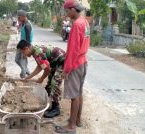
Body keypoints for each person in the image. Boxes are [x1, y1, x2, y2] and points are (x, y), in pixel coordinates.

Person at [55, 0, 90, 133]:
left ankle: (71, 127)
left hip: (75, 64)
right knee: (79, 93)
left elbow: (73, 50)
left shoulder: (76, 25)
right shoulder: (85, 22)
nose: (66, 13)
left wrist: (66, 69)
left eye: (67, 10)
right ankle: (77, 120)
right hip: (83, 62)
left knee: (74, 95)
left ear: (73, 9)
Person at [17, 40, 65, 118]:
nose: (23, 55)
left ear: (26, 49)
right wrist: (28, 77)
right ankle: (48, 102)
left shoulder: (37, 54)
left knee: (54, 83)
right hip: (55, 62)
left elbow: (47, 69)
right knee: (49, 83)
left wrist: (41, 79)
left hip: (62, 62)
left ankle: (56, 108)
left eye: (22, 52)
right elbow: (40, 66)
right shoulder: (35, 50)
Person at [15, 10, 33, 78]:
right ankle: (26, 71)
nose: (18, 19)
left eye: (19, 17)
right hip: (21, 44)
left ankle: (23, 76)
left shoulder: (27, 25)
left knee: (23, 61)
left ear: (23, 16)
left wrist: (26, 51)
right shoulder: (23, 23)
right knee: (17, 60)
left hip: (25, 46)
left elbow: (28, 39)